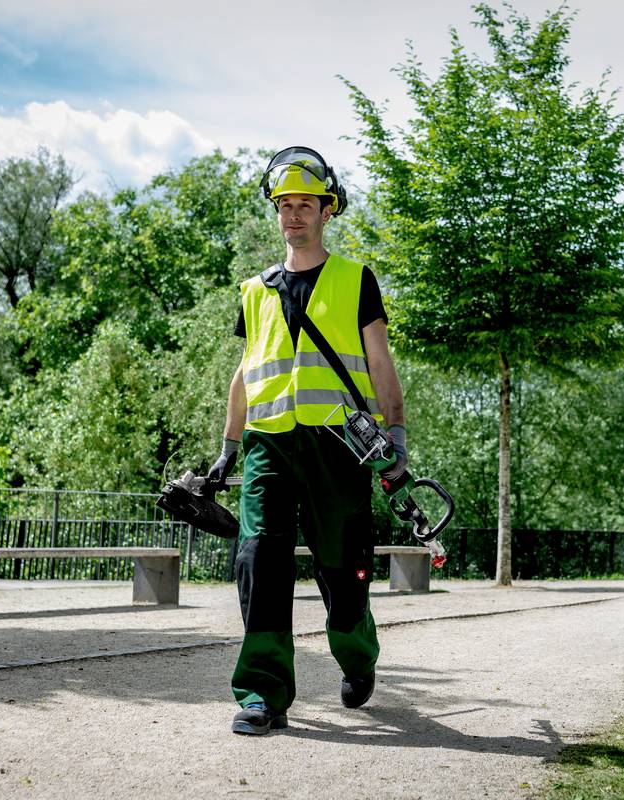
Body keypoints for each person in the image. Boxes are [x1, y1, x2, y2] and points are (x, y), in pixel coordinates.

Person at [207, 146, 408, 736]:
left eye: (305, 205)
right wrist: (228, 446)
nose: (294, 215)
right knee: (258, 561)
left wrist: (394, 432)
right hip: (269, 445)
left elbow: (379, 363)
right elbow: (246, 371)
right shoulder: (254, 290)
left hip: (339, 445)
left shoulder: (354, 279)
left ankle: (357, 655)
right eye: (285, 205)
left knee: (342, 566)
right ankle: (262, 694)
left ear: (327, 211)